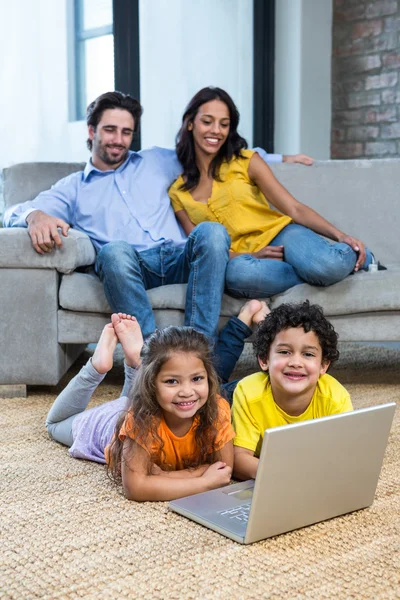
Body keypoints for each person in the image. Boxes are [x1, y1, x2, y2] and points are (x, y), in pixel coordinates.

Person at [3, 91, 308, 342]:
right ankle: (151, 354)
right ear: (92, 131)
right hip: (132, 264)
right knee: (112, 251)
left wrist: (279, 159)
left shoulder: (156, 160)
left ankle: (198, 347)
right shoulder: (73, 188)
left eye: (126, 132)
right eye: (110, 130)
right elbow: (12, 211)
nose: (118, 139)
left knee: (212, 232)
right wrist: (34, 216)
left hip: (180, 257)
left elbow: (215, 152)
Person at [169, 86, 379, 299]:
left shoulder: (246, 161)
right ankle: (309, 272)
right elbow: (203, 249)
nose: (216, 130)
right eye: (207, 121)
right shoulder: (178, 193)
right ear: (189, 123)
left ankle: (360, 257)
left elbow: (294, 208)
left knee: (325, 266)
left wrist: (341, 236)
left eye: (224, 124)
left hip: (282, 236)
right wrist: (251, 255)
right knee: (237, 277)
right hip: (246, 261)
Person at [45, 301, 268, 500]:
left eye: (197, 379)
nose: (187, 392)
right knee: (55, 424)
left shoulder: (216, 408)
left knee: (129, 399)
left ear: (209, 378)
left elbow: (223, 471)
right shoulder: (141, 420)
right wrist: (201, 482)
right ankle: (98, 366)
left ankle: (135, 362)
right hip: (105, 425)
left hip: (144, 402)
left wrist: (164, 476)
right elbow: (136, 488)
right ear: (152, 385)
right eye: (172, 381)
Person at [231, 301, 353, 481]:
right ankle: (249, 316)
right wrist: (281, 474)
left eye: (308, 354)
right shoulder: (248, 393)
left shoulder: (336, 398)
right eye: (285, 352)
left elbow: (345, 458)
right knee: (210, 382)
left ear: (324, 365)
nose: (296, 362)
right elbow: (238, 460)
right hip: (228, 394)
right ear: (264, 359)